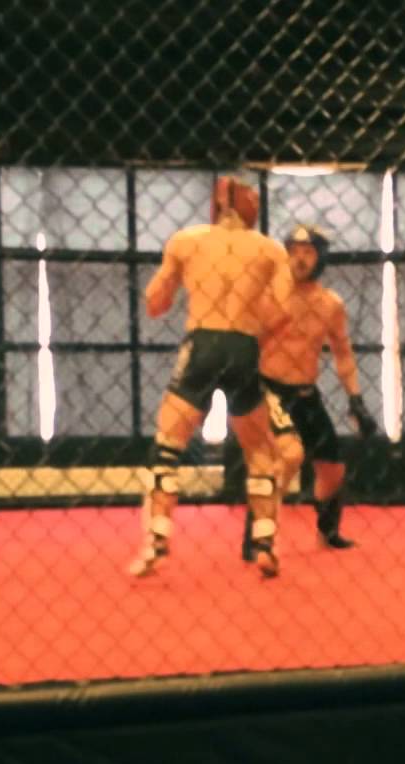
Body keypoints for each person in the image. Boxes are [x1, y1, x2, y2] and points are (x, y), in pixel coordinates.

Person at [126, 177, 291, 578]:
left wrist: (188, 282)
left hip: (202, 341)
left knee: (168, 444)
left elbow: (154, 302)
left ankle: (158, 536)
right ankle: (264, 543)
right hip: (244, 345)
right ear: (244, 206)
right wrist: (249, 329)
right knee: (259, 451)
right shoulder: (269, 249)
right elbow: (284, 311)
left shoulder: (187, 241)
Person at [240, 223, 379, 560]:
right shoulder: (270, 296)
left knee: (333, 466)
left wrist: (356, 399)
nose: (299, 259)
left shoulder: (330, 304)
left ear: (321, 258)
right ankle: (258, 535)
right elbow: (247, 342)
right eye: (293, 252)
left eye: (307, 252)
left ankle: (327, 531)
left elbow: (343, 354)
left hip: (305, 392)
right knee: (285, 459)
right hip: (269, 388)